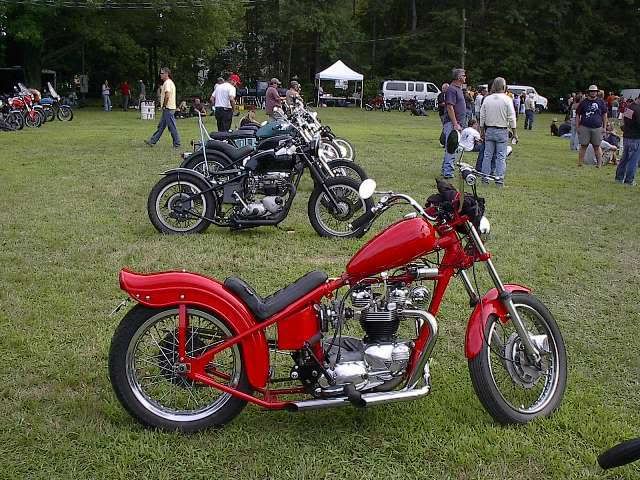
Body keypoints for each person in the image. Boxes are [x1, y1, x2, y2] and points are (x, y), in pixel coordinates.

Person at [479, 76, 518, 186]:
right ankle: (499, 180)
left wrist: (482, 131)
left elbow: (482, 116)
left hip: (489, 129)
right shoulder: (507, 99)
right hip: (502, 130)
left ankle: (485, 179)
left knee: (487, 156)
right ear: (504, 86)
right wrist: (514, 133)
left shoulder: (487, 99)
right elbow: (512, 117)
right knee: (501, 157)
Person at [145, 67, 180, 148]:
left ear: (166, 74)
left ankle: (177, 143)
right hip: (168, 108)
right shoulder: (168, 82)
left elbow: (167, 95)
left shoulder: (167, 83)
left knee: (172, 127)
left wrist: (164, 105)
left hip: (168, 108)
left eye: (162, 73)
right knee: (161, 126)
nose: (160, 75)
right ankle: (152, 141)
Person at [440, 70, 466, 179]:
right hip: (452, 123)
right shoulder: (452, 89)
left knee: (452, 147)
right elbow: (450, 107)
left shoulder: (458, 89)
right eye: (464, 75)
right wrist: (455, 123)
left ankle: (445, 170)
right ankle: (448, 172)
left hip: (457, 123)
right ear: (459, 77)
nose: (465, 77)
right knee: (451, 146)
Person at [576, 84, 608, 167]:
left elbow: (604, 115)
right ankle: (580, 163)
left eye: (595, 91)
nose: (593, 93)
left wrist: (604, 127)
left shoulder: (601, 102)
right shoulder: (583, 102)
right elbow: (578, 115)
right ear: (589, 92)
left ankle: (599, 164)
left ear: (597, 92)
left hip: (597, 127)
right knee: (583, 145)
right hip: (584, 127)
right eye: (592, 91)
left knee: (597, 146)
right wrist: (577, 127)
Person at [615, 95, 640, 185]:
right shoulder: (638, 110)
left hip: (626, 136)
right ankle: (629, 180)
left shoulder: (629, 107)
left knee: (624, 159)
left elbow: (625, 121)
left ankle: (619, 178)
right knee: (633, 160)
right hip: (636, 137)